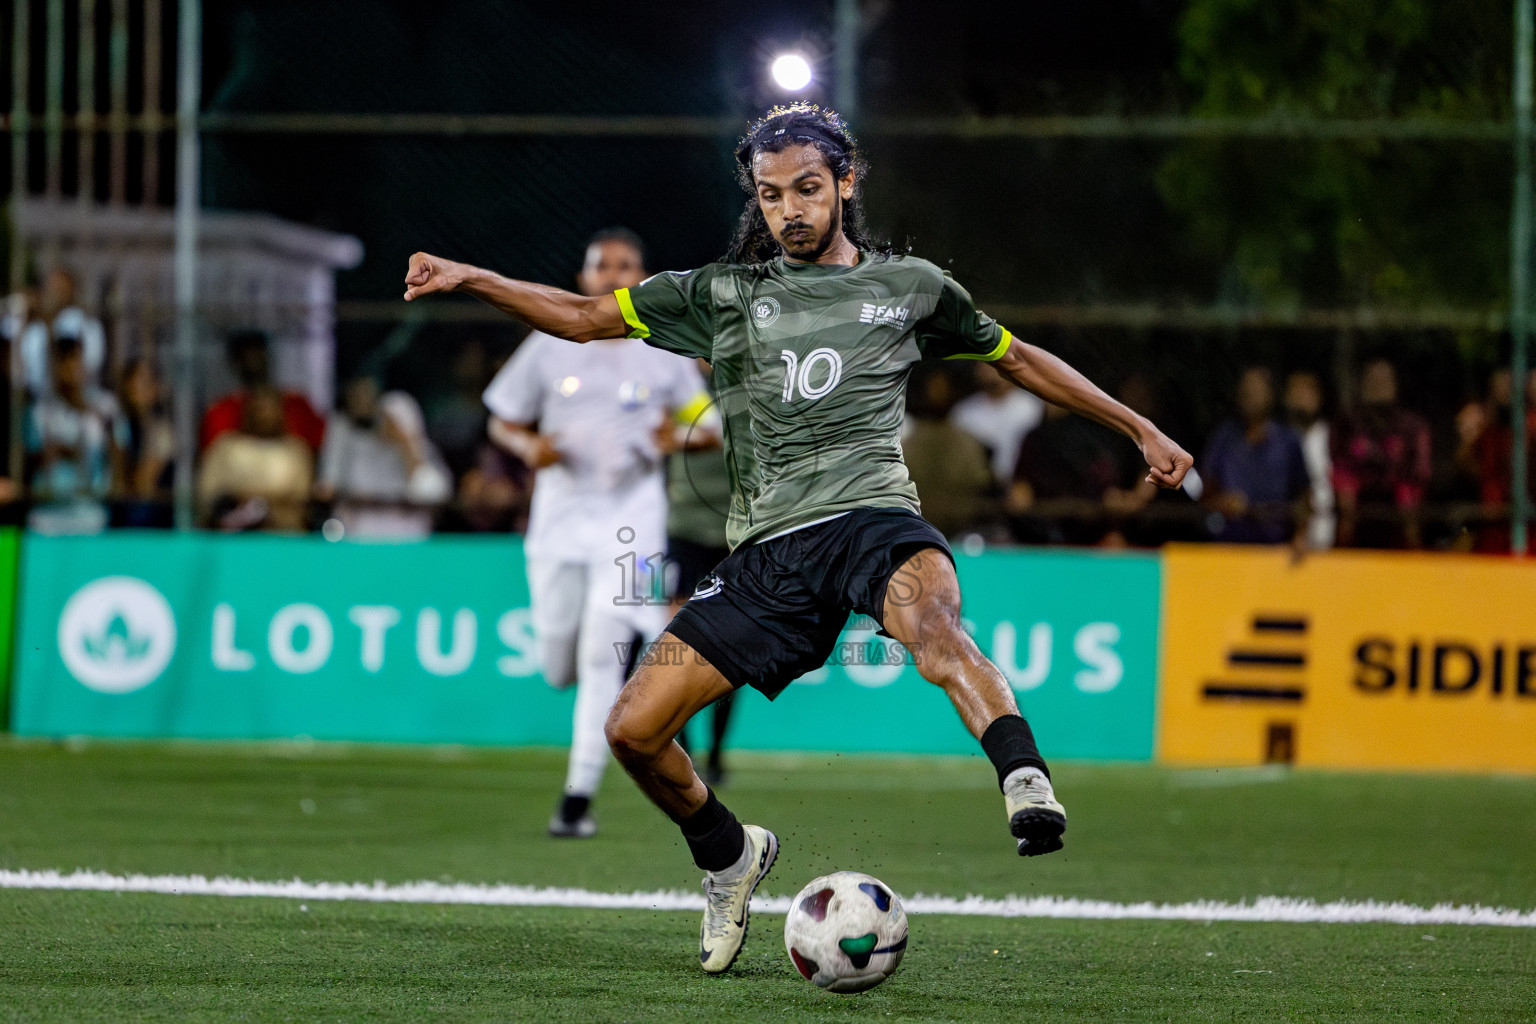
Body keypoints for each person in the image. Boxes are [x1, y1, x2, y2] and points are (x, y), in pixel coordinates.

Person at [402, 103, 1192, 974]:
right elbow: (584, 317)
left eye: (808, 189)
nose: (791, 210)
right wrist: (475, 278)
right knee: (633, 729)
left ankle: (1025, 781)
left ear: (846, 184)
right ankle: (729, 856)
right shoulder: (721, 295)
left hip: (874, 521)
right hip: (768, 555)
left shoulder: (911, 287)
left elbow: (1017, 358)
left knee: (935, 630)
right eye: (773, 195)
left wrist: (1137, 428)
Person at [479, 228, 712, 840]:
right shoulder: (550, 342)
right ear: (582, 277)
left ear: (642, 276)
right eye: (600, 264)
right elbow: (502, 418)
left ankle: (576, 797)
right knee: (559, 664)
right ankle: (640, 645)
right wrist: (528, 443)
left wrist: (684, 434)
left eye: (625, 264)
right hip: (558, 523)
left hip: (632, 526)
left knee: (598, 653)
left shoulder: (665, 350)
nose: (611, 273)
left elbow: (706, 423)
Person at [665, 360, 736, 787]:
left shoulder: (752, 388)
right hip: (685, 529)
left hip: (734, 532)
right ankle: (686, 748)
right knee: (677, 642)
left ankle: (718, 753)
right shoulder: (676, 388)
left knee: (730, 646)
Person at [315, 376, 453, 539]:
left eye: (392, 422)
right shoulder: (361, 447)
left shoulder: (425, 452)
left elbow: (436, 493)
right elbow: (333, 487)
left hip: (410, 540)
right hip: (362, 539)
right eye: (383, 419)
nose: (386, 427)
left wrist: (407, 449)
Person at [25, 336, 125, 534]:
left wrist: (98, 421)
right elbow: (26, 461)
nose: (70, 368)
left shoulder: (105, 405)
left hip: (92, 517)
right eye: (63, 361)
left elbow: (121, 461)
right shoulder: (39, 410)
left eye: (75, 359)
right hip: (46, 518)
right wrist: (57, 453)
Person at [1200, 367, 1310, 545]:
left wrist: (1301, 534)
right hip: (1229, 546)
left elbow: (1305, 494)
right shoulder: (1224, 438)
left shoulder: (1288, 441)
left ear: (1271, 394)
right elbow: (1204, 491)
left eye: (1257, 390)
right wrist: (1222, 503)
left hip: (1276, 548)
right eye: (1246, 390)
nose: (1250, 395)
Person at [1331, 358, 1432, 549]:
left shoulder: (1412, 427)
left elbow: (1419, 475)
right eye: (1373, 381)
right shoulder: (1347, 425)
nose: (1379, 387)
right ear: (1362, 385)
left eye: (1384, 380)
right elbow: (1340, 472)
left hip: (1400, 525)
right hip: (1356, 525)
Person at [198, 385, 313, 532]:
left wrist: (267, 504)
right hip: (232, 534)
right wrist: (240, 502)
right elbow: (208, 493)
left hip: (281, 535)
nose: (264, 415)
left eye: (270, 409)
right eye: (259, 408)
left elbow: (302, 498)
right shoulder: (225, 448)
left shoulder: (296, 451)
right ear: (248, 410)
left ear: (280, 412)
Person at [201, 330, 326, 454]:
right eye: (248, 356)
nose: (264, 415)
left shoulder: (297, 407)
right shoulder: (221, 413)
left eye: (258, 355)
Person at [904, 365, 993, 537]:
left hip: (964, 531)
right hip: (916, 528)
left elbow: (981, 483)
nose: (938, 393)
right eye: (933, 388)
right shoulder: (908, 439)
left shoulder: (968, 440)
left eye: (943, 388)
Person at [951, 358, 1044, 486]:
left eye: (996, 365)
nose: (990, 371)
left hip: (1025, 486)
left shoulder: (1033, 408)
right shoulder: (963, 413)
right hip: (977, 487)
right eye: (985, 365)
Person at [16, 269, 109, 396]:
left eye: (60, 288)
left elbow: (91, 363)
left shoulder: (82, 323)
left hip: (77, 398)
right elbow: (23, 371)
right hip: (40, 399)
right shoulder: (35, 330)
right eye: (51, 288)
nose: (54, 293)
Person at [116, 357, 176, 528]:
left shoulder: (162, 431)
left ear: (156, 388)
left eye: (144, 381)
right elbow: (117, 479)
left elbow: (143, 485)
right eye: (132, 380)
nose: (136, 386)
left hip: (153, 519)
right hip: (122, 515)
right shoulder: (120, 424)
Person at [1283, 370, 1335, 549]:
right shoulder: (1276, 440)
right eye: (1295, 390)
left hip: (1327, 537)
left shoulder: (1332, 438)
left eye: (1307, 390)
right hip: (1284, 544)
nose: (1301, 396)